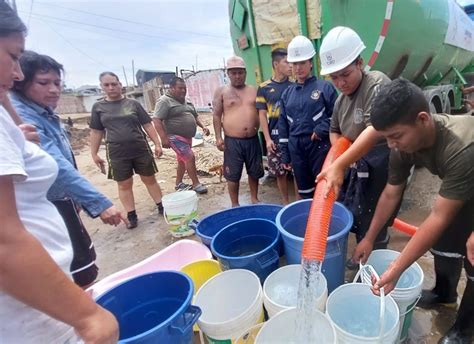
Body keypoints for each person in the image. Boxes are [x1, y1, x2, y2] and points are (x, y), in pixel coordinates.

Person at [0, 2, 118, 342]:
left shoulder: (25, 116)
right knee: (86, 277)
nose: (17, 73)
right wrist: (88, 316)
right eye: (12, 56)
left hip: (30, 305)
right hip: (32, 314)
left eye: (57, 82)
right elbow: (6, 241)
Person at [360, 78, 473, 344]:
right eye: (386, 138)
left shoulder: (460, 147)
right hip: (465, 184)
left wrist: (397, 268)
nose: (391, 145)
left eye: (395, 136)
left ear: (423, 119)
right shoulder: (403, 146)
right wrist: (368, 237)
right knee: (444, 239)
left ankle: (464, 330)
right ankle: (445, 293)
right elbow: (391, 192)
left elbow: (437, 216)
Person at [10, 51, 126, 288]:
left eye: (56, 83)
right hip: (51, 202)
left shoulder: (41, 112)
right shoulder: (23, 116)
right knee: (77, 271)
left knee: (73, 266)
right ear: (21, 81)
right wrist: (99, 203)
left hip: (60, 199)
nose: (53, 89)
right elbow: (56, 165)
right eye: (43, 83)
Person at [315, 27, 394, 266]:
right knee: (358, 214)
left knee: (376, 218)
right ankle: (362, 254)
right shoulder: (341, 100)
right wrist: (341, 155)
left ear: (359, 62)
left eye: (345, 74)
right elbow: (334, 130)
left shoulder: (376, 83)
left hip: (381, 161)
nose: (340, 82)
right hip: (355, 161)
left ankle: (376, 262)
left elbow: (375, 129)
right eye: (334, 77)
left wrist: (340, 163)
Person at [90, 72, 164, 229]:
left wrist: (157, 143)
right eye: (106, 85)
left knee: (149, 179)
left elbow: (147, 125)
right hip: (117, 153)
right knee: (124, 184)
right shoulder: (98, 108)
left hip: (140, 149)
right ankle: (132, 215)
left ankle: (162, 206)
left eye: (114, 84)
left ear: (120, 84)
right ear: (102, 87)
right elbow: (96, 132)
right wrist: (94, 153)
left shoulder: (133, 104)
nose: (111, 87)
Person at [278, 36, 337, 199]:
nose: (298, 67)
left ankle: (326, 221)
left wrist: (321, 129)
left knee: (324, 188)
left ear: (310, 62)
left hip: (319, 145)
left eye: (302, 62)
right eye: (294, 63)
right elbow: (283, 125)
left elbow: (338, 117)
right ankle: (309, 222)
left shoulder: (325, 87)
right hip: (296, 148)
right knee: (304, 192)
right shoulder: (287, 94)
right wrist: (285, 154)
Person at [213, 56, 264, 207]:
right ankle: (235, 204)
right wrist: (218, 138)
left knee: (254, 171)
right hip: (233, 140)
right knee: (232, 174)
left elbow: (261, 112)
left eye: (240, 73)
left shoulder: (253, 90)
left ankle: (254, 198)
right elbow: (216, 115)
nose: (237, 76)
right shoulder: (222, 92)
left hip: (253, 139)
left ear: (245, 73)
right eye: (233, 73)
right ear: (228, 74)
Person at [153, 76, 209, 194]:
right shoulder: (164, 101)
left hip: (187, 137)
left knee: (182, 161)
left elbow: (195, 115)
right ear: (172, 88)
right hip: (174, 136)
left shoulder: (186, 100)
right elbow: (157, 120)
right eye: (180, 88)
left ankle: (178, 184)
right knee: (189, 157)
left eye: (184, 88)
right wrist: (163, 138)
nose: (183, 91)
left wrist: (203, 126)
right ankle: (196, 184)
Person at [256, 48, 294, 205]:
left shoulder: (294, 86)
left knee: (297, 171)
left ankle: (298, 201)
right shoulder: (264, 88)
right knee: (280, 173)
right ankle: (285, 203)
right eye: (287, 62)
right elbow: (262, 114)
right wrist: (267, 139)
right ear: (276, 64)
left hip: (293, 137)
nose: (291, 65)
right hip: (275, 138)